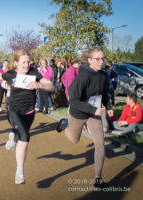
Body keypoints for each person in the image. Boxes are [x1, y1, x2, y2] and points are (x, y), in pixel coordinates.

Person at [0, 50, 54, 184]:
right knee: (25, 137)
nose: (27, 64)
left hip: (29, 113)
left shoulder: (34, 73)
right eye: (24, 62)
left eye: (28, 61)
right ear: (16, 63)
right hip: (14, 110)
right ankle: (20, 172)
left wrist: (39, 85)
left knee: (22, 139)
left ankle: (13, 137)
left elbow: (51, 86)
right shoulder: (11, 74)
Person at [57, 48, 114, 188]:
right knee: (74, 140)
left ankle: (98, 179)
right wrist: (94, 109)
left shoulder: (103, 75)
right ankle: (64, 124)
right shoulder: (82, 77)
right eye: (98, 59)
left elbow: (105, 94)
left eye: (103, 58)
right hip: (78, 113)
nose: (101, 62)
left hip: (93, 113)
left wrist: (109, 107)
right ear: (89, 60)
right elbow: (74, 101)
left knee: (100, 143)